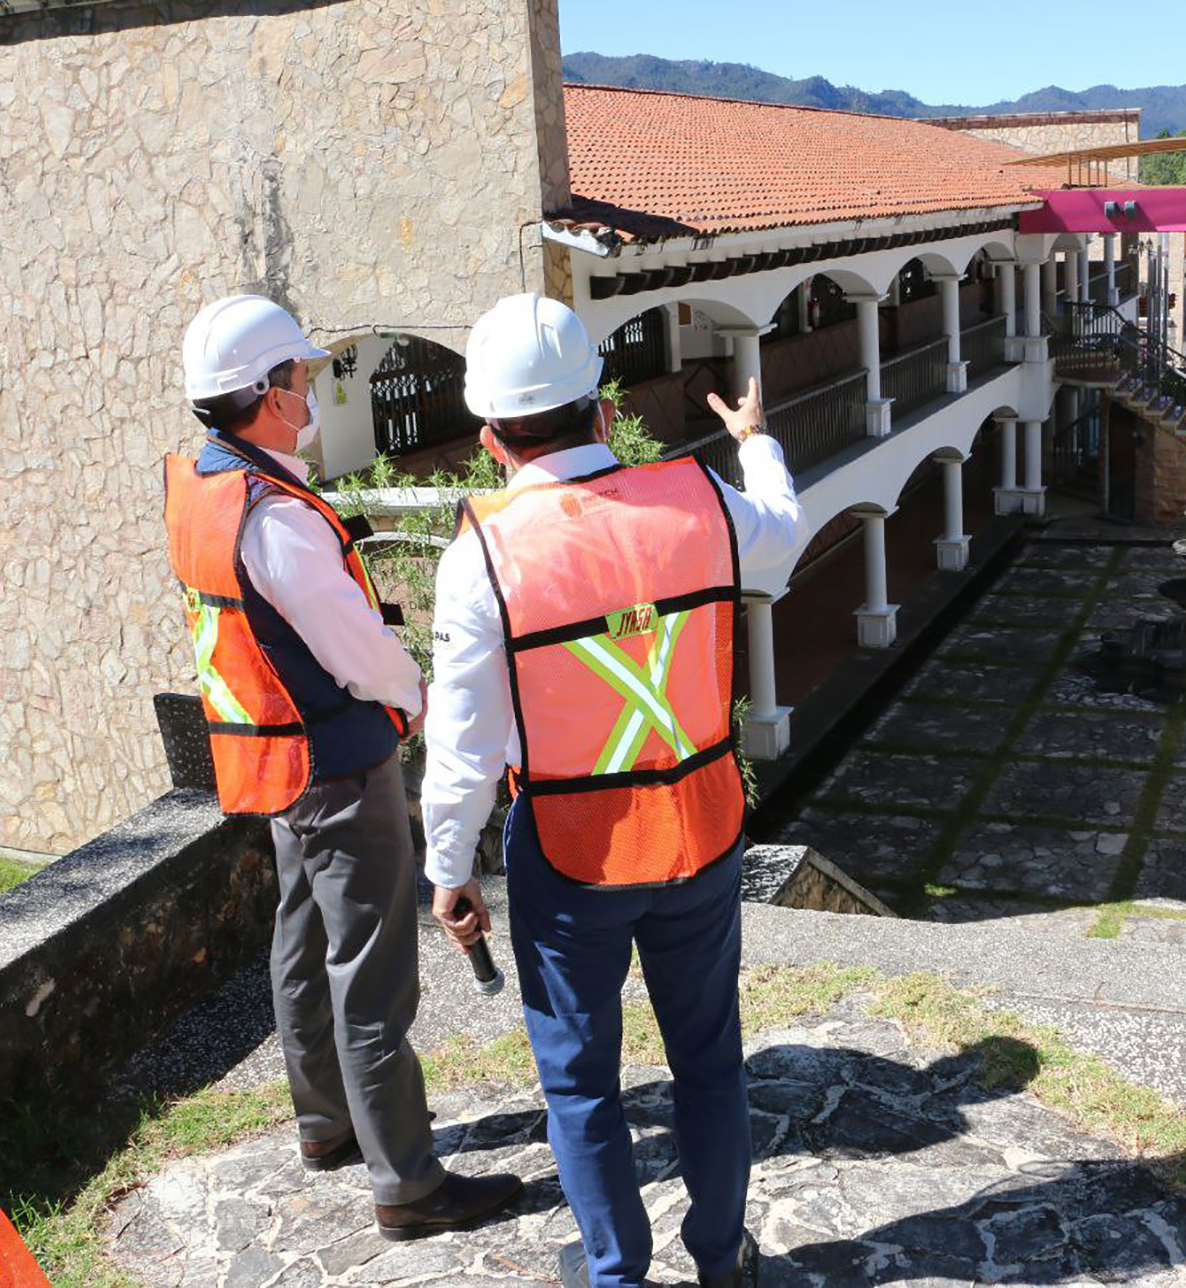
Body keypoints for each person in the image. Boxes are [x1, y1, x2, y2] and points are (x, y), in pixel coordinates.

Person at [422, 293, 803, 1288]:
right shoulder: (699, 501)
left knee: (581, 1087)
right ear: (599, 412)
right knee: (709, 1064)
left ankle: (615, 1276)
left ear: (494, 439)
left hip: (567, 851)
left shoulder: (481, 558)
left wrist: (447, 866)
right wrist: (753, 443)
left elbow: (460, 743)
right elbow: (786, 534)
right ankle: (720, 1262)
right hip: (698, 828)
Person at [164, 295, 521, 1241]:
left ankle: (325, 1124)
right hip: (336, 761)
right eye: (304, 378)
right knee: (371, 973)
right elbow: (356, 649)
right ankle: (408, 1180)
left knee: (299, 938)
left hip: (276, 759)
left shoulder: (206, 483)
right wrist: (415, 697)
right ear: (268, 393)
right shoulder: (276, 516)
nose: (314, 390)